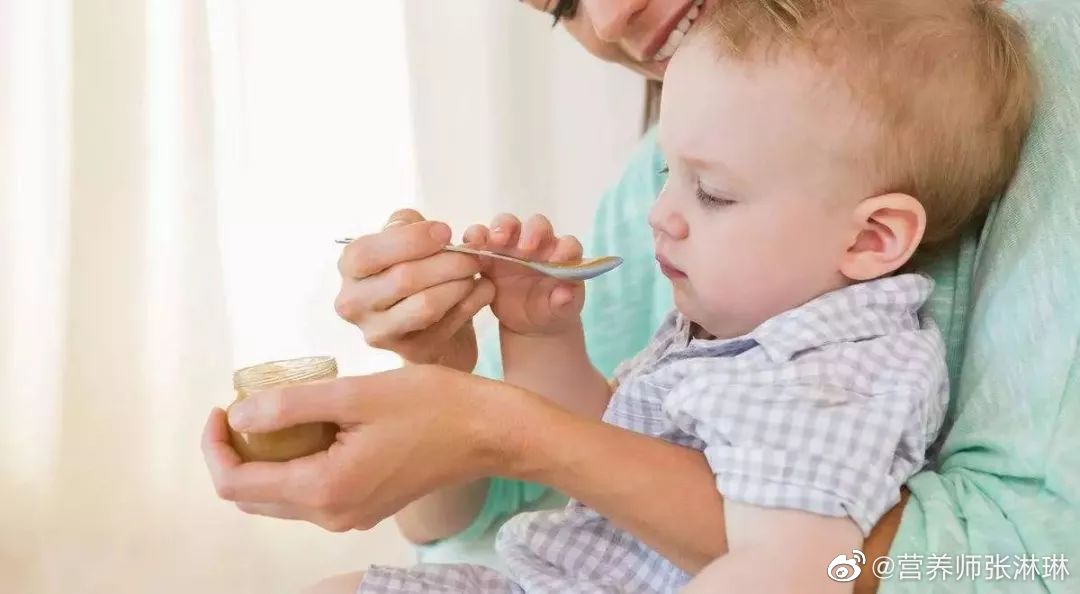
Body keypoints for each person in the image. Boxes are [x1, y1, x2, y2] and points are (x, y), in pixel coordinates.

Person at [201, 0, 1080, 592]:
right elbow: (567, 475)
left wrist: (499, 425)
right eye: (562, 0)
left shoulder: (837, 370)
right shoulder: (686, 205)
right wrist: (487, 355)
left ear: (873, 239)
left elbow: (982, 567)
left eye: (711, 191)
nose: (660, 214)